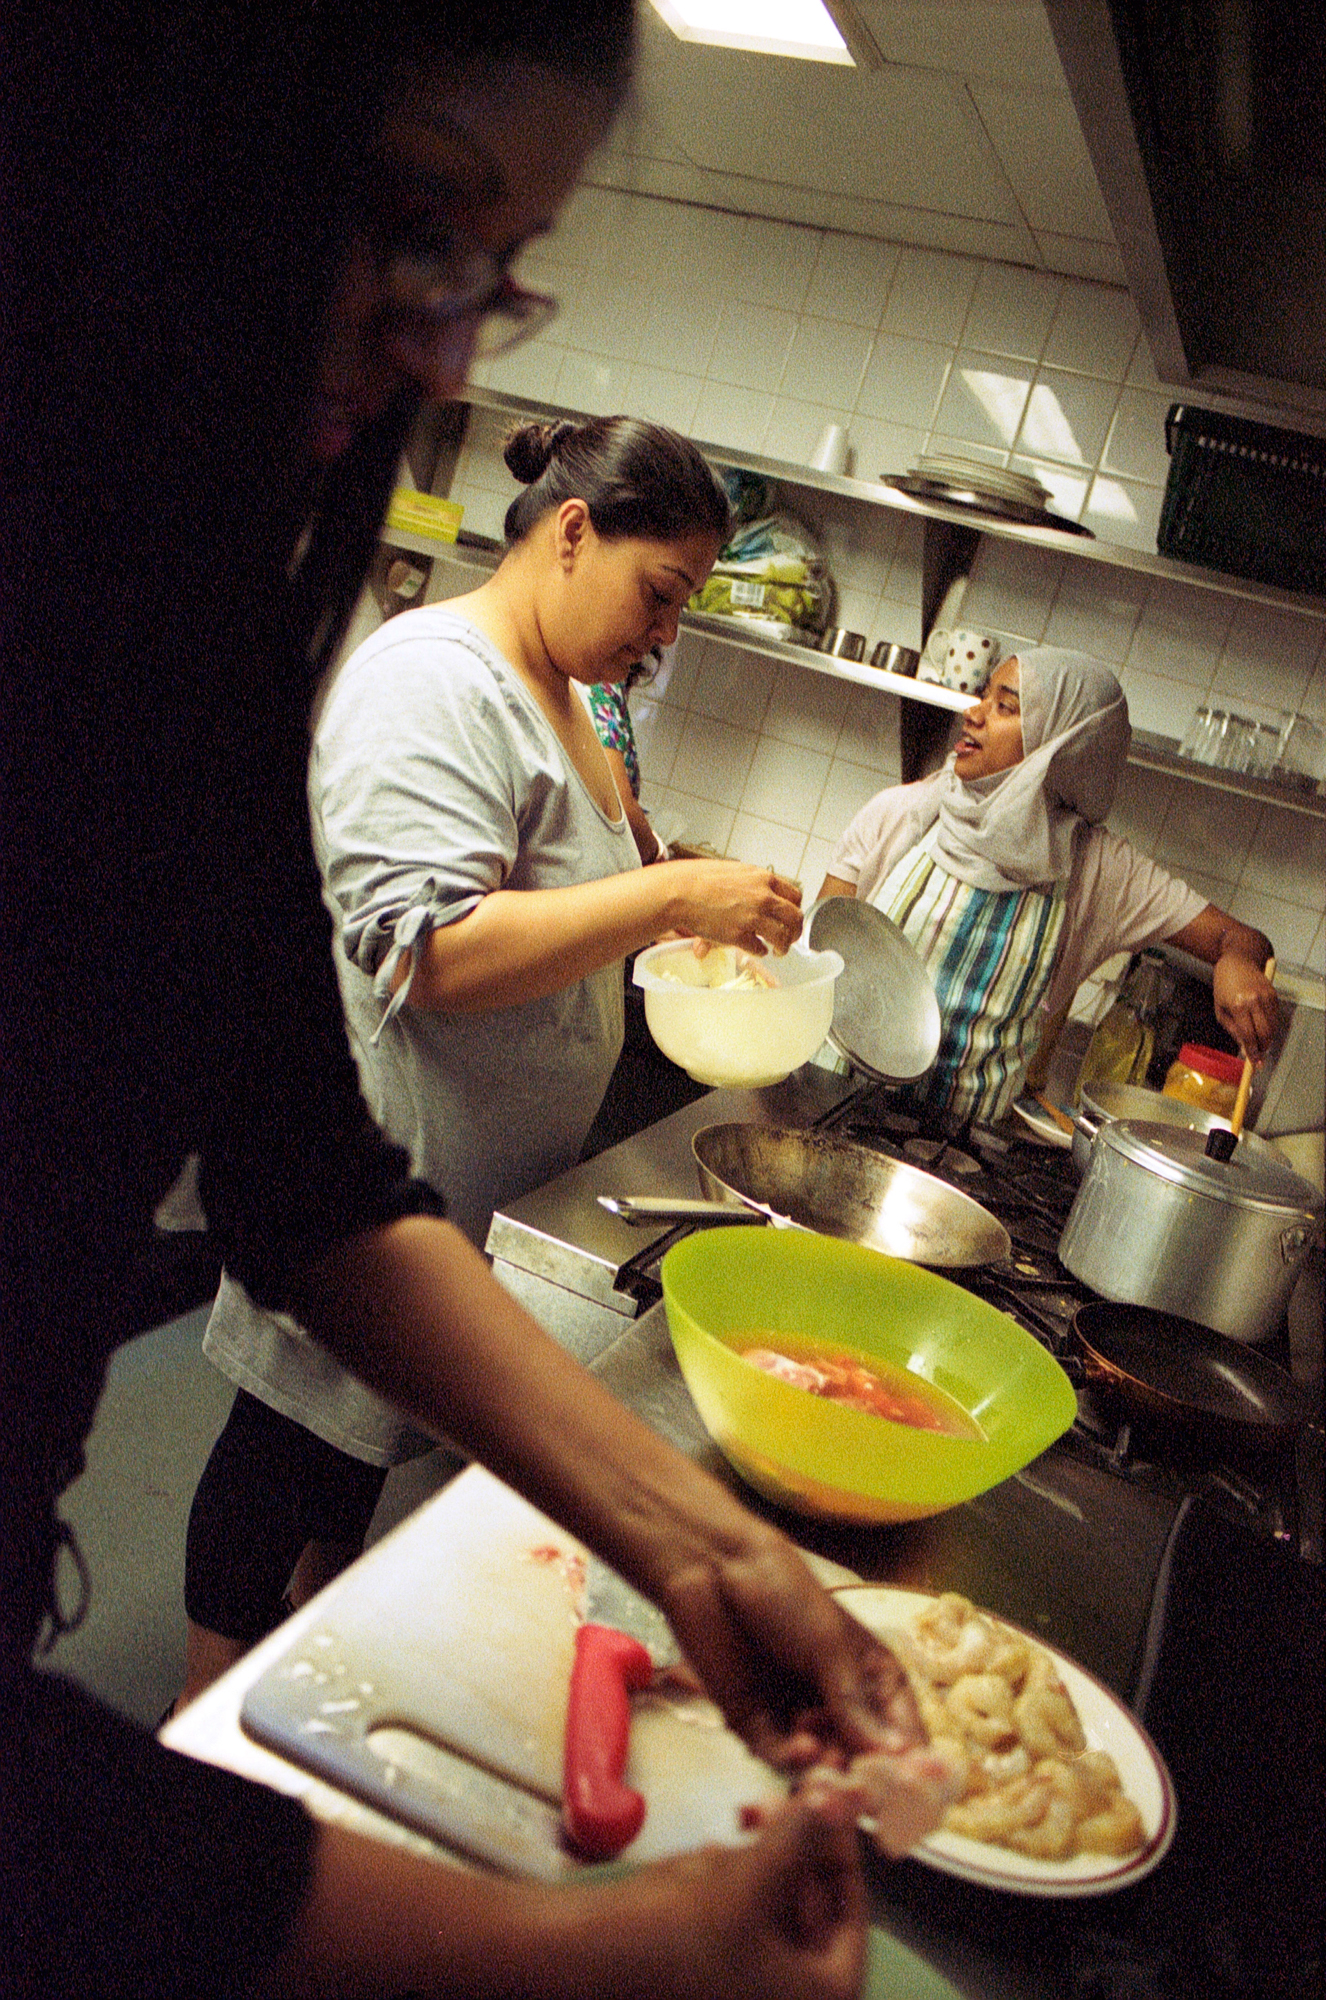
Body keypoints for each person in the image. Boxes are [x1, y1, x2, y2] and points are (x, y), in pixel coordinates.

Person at [3, 11, 928, 1998]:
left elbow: (303, 1174)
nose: (446, 352)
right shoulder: (395, 672)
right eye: (415, 221)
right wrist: (582, 1961)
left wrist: (708, 1547)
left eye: (492, 271)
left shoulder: (166, 635)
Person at [182, 413, 806, 1699]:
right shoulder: (436, 680)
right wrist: (666, 896)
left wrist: (675, 890)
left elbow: (569, 886)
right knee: (287, 1443)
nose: (665, 631)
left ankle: (312, 1665)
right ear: (574, 531)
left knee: (353, 1453)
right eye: (661, 591)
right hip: (370, 1173)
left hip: (467, 1176)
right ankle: (203, 1704)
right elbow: (429, 951)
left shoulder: (572, 696)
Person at [817, 647, 1278, 1127]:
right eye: (983, 696)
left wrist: (1237, 962)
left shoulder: (1101, 870)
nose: (973, 714)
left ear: (1064, 744)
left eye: (1005, 706)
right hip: (828, 1105)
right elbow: (814, 956)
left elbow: (1242, 940)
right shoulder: (899, 813)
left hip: (959, 1148)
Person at [586, 652, 668, 861]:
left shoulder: (606, 683)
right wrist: (657, 854)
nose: (668, 638)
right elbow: (619, 804)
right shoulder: (602, 684)